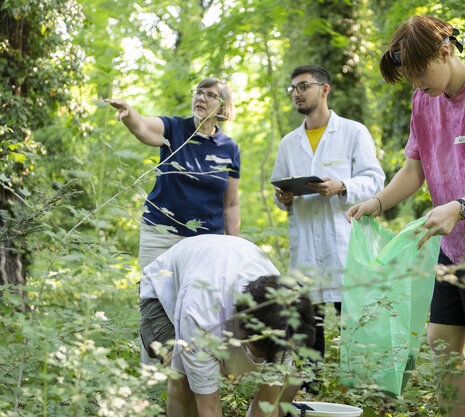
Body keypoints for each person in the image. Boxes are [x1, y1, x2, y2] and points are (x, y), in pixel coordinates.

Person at [346, 16, 465, 417]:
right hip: (453, 245)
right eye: (409, 77)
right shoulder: (423, 99)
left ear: (445, 51)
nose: (416, 84)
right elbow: (414, 170)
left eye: (420, 73)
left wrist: (458, 208)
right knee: (440, 343)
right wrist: (377, 203)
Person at [270, 65, 385, 365]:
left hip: (343, 242)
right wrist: (283, 197)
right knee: (308, 328)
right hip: (306, 245)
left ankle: (361, 384)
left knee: (355, 320)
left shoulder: (352, 132)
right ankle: (310, 387)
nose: (296, 93)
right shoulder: (288, 143)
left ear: (324, 89)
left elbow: (375, 180)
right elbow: (279, 189)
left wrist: (343, 186)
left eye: (303, 86)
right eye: (293, 88)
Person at [139, 234, 315, 417]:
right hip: (162, 293)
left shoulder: (284, 316)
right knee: (183, 379)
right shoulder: (201, 316)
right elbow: (209, 407)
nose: (259, 361)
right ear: (244, 328)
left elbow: (267, 402)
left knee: (292, 375)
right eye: (259, 353)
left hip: (215, 280)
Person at [105, 77, 240, 269]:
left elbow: (232, 205)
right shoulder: (175, 128)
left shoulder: (229, 148)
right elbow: (143, 126)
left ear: (222, 107)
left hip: (207, 242)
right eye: (199, 92)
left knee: (198, 298)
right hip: (161, 235)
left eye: (210, 95)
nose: (201, 98)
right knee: (154, 298)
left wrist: (234, 246)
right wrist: (129, 114)